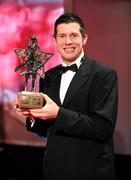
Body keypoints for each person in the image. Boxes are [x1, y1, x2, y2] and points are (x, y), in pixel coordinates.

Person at [15, 13, 118, 180]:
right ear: (55, 40)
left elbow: (103, 128)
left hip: (90, 171)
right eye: (62, 36)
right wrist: (31, 115)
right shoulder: (47, 76)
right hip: (55, 170)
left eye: (74, 35)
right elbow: (46, 129)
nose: (68, 41)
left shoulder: (104, 75)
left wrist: (58, 113)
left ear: (84, 39)